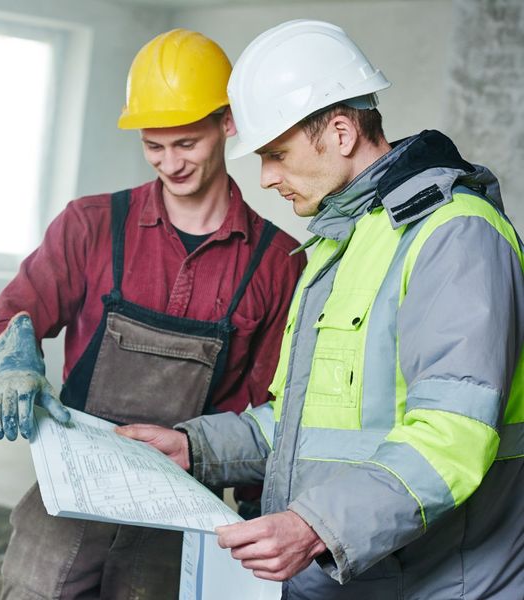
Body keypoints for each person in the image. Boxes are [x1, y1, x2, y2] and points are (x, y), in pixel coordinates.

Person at [117, 19, 524, 599]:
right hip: (350, 576)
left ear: (339, 132)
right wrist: (195, 447)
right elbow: (302, 421)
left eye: (277, 154)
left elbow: (452, 434)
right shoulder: (340, 243)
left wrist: (315, 526)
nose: (265, 178)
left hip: (435, 583)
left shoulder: (455, 234)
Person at [0, 28, 306, 599]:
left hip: (183, 503)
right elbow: (14, 312)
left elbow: (272, 406)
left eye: (186, 144)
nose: (170, 164)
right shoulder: (91, 224)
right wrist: (11, 361)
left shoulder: (276, 263)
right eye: (155, 146)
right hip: (72, 488)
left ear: (226, 124)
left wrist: (262, 512)